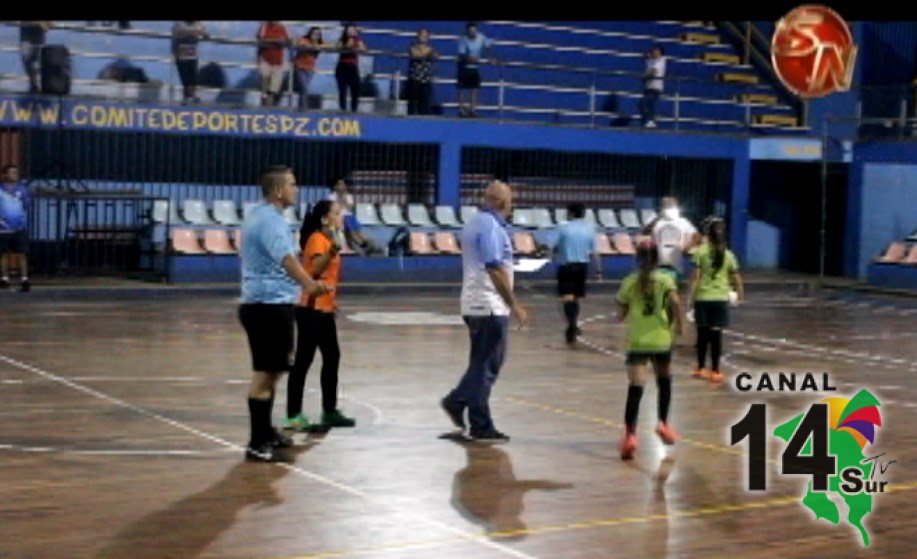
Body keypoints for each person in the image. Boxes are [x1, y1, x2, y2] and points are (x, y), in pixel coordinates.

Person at [238, 165, 330, 463]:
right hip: (267, 306)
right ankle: (256, 442)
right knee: (265, 374)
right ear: (278, 190)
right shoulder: (271, 222)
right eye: (292, 184)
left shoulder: (265, 217)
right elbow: (287, 259)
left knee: (273, 370)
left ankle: (266, 432)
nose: (296, 189)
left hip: (267, 305)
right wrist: (309, 286)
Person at [441, 180, 528, 442]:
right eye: (510, 200)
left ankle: (462, 405)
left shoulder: (475, 222)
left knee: (482, 363)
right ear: (503, 202)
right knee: (487, 365)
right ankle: (473, 417)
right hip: (488, 305)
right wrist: (514, 304)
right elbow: (494, 267)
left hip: (474, 303)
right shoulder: (490, 227)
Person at [285, 200, 356, 431]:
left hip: (324, 309)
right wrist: (333, 249)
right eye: (336, 213)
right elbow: (315, 269)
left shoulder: (328, 240)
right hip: (310, 309)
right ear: (325, 218)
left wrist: (332, 303)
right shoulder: (317, 239)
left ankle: (329, 410)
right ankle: (293, 414)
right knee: (304, 360)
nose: (341, 217)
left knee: (332, 356)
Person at [615, 239, 683, 460]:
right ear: (657, 258)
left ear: (637, 259)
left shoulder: (629, 282)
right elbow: (676, 304)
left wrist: (623, 313)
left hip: (638, 341)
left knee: (636, 388)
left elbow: (620, 314)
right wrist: (679, 326)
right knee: (664, 382)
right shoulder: (666, 280)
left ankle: (630, 437)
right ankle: (663, 424)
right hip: (661, 339)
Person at [686, 218, 744, 384]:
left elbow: (695, 277)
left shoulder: (700, 252)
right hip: (720, 300)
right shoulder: (728, 254)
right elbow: (736, 277)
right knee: (716, 336)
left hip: (703, 298)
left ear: (707, 233)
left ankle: (700, 367)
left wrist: (690, 298)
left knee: (702, 336)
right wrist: (740, 294)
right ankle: (716, 371)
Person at [554, 203, 601, 345]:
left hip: (566, 265)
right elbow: (595, 252)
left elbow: (554, 245)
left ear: (571, 213)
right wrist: (598, 270)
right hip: (582, 266)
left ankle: (572, 325)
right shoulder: (590, 228)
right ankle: (573, 325)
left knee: (567, 298)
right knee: (575, 297)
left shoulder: (563, 227)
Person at [643, 196, 699, 287]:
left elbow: (696, 237)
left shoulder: (683, 221)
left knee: (672, 285)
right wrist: (658, 217)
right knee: (659, 285)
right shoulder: (657, 222)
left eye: (671, 205)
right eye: (666, 205)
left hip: (675, 259)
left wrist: (687, 247)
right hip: (659, 260)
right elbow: (645, 231)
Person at [327, 178, 382, 255]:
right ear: (335, 187)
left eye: (343, 184)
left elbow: (350, 208)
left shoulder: (348, 196)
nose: (342, 186)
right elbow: (333, 209)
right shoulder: (331, 196)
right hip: (340, 217)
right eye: (339, 184)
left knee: (359, 232)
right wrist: (339, 199)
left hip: (350, 216)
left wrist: (344, 200)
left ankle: (369, 245)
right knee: (353, 234)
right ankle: (364, 246)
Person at [0, 164, 31, 292]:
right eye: (11, 173)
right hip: (2, 227)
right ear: (5, 174)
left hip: (19, 226)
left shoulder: (22, 189)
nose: (14, 175)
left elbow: (27, 204)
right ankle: (4, 278)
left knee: (22, 253)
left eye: (16, 173)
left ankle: (24, 278)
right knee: (3, 253)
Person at [456, 22, 493, 118]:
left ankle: (473, 110)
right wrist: (470, 58)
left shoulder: (481, 37)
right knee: (462, 89)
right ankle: (461, 110)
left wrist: (490, 58)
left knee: (474, 89)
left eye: (474, 30)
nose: (473, 32)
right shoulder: (463, 40)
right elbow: (461, 54)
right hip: (463, 67)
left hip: (474, 68)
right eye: (471, 30)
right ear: (467, 31)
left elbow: (488, 46)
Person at [172, 21, 209, 105]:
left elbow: (206, 34)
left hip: (192, 54)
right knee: (185, 77)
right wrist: (195, 32)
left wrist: (200, 33)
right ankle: (187, 97)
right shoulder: (179, 23)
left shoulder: (198, 24)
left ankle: (191, 96)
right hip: (181, 54)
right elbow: (179, 33)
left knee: (193, 76)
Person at [256, 21, 290, 107]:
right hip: (265, 59)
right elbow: (260, 41)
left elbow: (288, 41)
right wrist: (274, 41)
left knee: (274, 87)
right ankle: (263, 102)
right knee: (265, 79)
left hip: (278, 62)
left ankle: (269, 107)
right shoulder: (264, 26)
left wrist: (283, 42)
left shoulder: (282, 28)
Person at [335, 22, 367, 113]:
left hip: (353, 67)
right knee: (343, 90)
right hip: (342, 66)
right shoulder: (342, 39)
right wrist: (348, 45)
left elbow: (363, 49)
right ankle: (343, 109)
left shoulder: (357, 39)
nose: (351, 31)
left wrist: (356, 43)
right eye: (349, 29)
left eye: (353, 29)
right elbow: (338, 47)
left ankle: (354, 110)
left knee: (355, 90)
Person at [407, 28, 438, 115]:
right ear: (417, 36)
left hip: (426, 79)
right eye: (421, 35)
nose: (423, 37)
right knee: (412, 102)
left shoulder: (431, 49)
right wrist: (427, 53)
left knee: (424, 103)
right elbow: (415, 54)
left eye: (425, 35)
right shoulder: (413, 47)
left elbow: (436, 56)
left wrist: (428, 53)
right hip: (414, 78)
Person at [293, 26, 325, 111]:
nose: (316, 35)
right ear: (310, 33)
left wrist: (318, 46)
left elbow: (328, 46)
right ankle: (303, 108)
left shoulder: (319, 43)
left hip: (310, 68)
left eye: (318, 34)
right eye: (314, 33)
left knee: (304, 88)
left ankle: (301, 107)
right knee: (304, 87)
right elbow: (301, 44)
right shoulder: (304, 39)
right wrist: (312, 46)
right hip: (300, 67)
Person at [20, 21, 50, 94]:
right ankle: (34, 85)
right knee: (27, 59)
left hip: (38, 34)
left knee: (38, 62)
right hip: (26, 33)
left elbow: (47, 26)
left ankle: (37, 86)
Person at [640, 45, 666, 128]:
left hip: (656, 88)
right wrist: (648, 55)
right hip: (648, 87)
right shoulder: (651, 60)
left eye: (656, 51)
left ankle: (651, 121)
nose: (654, 52)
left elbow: (653, 71)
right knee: (646, 104)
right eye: (653, 51)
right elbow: (644, 55)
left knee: (648, 103)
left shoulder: (661, 60)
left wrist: (645, 76)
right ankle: (648, 122)